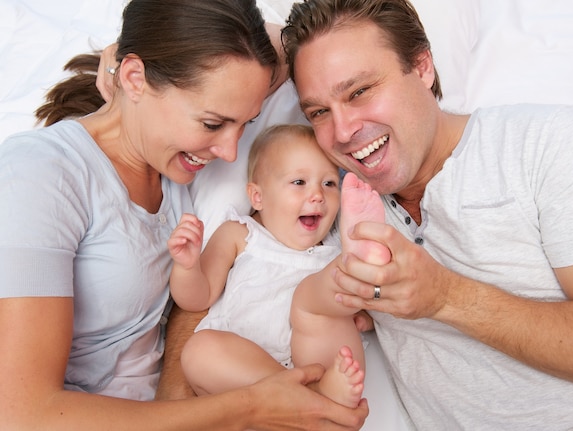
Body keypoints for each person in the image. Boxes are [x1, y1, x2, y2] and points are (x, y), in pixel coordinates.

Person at [0, 0, 368, 429]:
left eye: (245, 125)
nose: (229, 153)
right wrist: (252, 405)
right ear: (136, 78)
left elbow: (289, 47)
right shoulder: (41, 172)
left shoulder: (172, 171)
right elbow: (20, 413)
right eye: (213, 125)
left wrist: (126, 49)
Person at [280, 0, 573, 429]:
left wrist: (446, 297)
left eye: (360, 91)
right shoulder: (327, 199)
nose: (344, 131)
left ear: (422, 66)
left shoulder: (542, 143)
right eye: (318, 112)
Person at [168, 124, 388, 408]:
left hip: (318, 365)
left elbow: (359, 311)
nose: (318, 195)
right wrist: (187, 267)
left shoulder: (335, 247)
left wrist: (364, 316)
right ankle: (307, 400)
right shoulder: (240, 233)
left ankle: (363, 258)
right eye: (299, 182)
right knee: (198, 351)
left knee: (321, 295)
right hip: (245, 374)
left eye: (329, 183)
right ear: (257, 197)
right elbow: (197, 298)